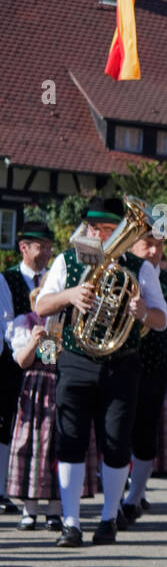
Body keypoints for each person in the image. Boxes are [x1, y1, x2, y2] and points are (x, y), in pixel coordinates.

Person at [34, 198, 167, 547]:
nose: (102, 235)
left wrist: (142, 312)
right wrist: (71, 295)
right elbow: (41, 305)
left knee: (116, 443)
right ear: (88, 230)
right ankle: (71, 523)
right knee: (71, 441)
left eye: (110, 230)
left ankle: (109, 519)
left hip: (121, 364)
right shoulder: (66, 261)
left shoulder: (141, 268)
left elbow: (162, 319)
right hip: (77, 360)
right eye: (96, 229)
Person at [119, 230, 167, 526]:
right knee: (115, 432)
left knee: (145, 433)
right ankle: (118, 492)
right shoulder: (117, 273)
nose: (153, 251)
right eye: (147, 244)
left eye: (159, 246)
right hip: (118, 363)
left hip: (153, 367)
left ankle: (133, 498)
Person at [0, 220, 59, 515]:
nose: (47, 251)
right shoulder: (7, 279)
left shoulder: (52, 279)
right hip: (13, 356)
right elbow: (7, 322)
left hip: (44, 364)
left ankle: (37, 496)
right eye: (41, 246)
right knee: (8, 424)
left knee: (41, 431)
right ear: (23, 247)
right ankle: (6, 489)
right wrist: (23, 351)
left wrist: (47, 358)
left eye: (50, 246)